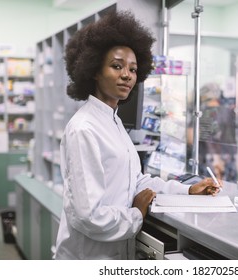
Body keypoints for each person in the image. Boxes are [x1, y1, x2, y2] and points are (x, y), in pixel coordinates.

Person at [54, 10, 221, 260]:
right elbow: (89, 216)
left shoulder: (113, 122)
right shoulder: (84, 129)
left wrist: (187, 190)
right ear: (94, 71)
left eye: (132, 69)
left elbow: (136, 182)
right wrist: (135, 214)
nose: (126, 75)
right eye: (116, 66)